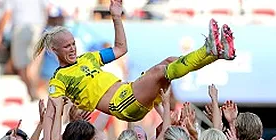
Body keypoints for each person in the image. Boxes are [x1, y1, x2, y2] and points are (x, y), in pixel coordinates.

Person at [36, 0, 235, 124]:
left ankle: (216, 53)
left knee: (168, 61)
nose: (72, 49)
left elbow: (120, 49)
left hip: (130, 91)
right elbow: (52, 115)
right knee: (160, 70)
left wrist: (116, 16)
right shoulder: (59, 80)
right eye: (66, 47)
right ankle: (208, 49)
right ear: (54, 50)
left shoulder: (88, 58)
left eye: (73, 44)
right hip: (121, 104)